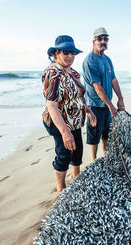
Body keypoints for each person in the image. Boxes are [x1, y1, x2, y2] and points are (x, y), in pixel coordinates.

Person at [42, 35, 97, 193]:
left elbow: (79, 96)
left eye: (73, 53)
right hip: (59, 122)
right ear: (56, 53)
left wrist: (89, 111)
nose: (71, 56)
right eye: (66, 52)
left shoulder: (73, 72)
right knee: (64, 154)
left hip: (75, 121)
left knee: (77, 150)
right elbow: (51, 105)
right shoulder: (52, 73)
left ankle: (76, 178)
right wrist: (65, 132)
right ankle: (60, 187)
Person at [82, 27, 125, 161]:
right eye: (99, 39)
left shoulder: (107, 59)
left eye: (105, 39)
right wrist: (111, 106)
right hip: (94, 105)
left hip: (106, 105)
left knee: (106, 134)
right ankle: (94, 160)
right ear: (93, 41)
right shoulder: (90, 61)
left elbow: (113, 80)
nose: (103, 41)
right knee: (94, 136)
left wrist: (120, 98)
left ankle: (105, 157)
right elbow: (97, 87)